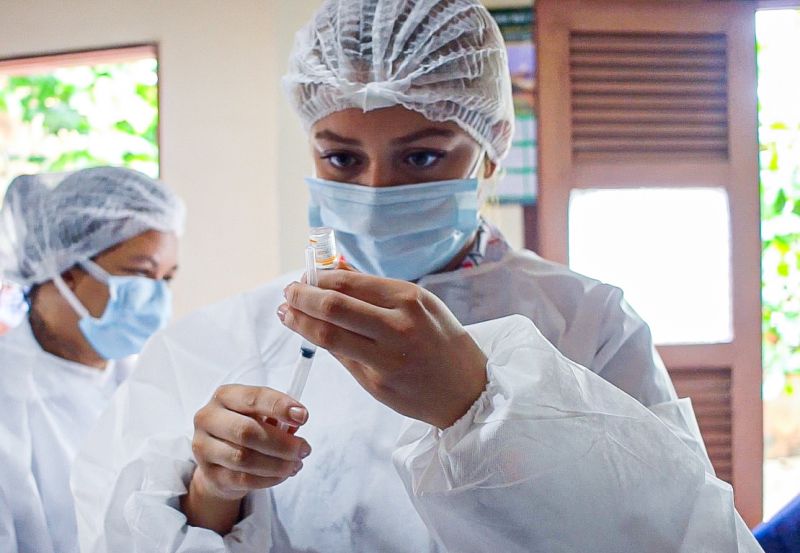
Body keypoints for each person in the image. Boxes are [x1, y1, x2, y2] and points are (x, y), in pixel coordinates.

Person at [72, 1, 762, 552]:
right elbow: (122, 531)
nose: (376, 191)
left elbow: (679, 532)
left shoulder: (588, 321)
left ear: (490, 151)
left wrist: (479, 404)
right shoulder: (232, 337)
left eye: (423, 158)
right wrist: (215, 491)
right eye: (342, 159)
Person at [0, 167, 185, 553]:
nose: (157, 298)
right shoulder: (10, 396)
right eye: (140, 274)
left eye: (166, 279)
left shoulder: (148, 385)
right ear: (66, 270)